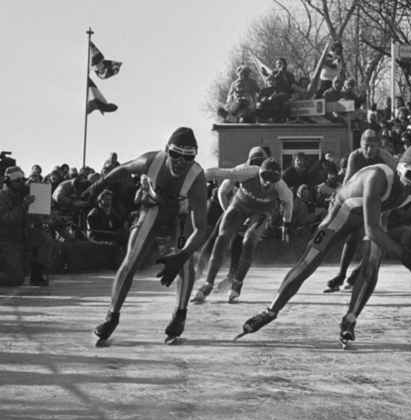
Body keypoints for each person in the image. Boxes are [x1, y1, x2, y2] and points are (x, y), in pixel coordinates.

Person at [234, 145, 411, 344]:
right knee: (309, 262)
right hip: (342, 210)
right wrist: (405, 255)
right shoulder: (378, 178)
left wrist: (383, 248)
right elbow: (372, 229)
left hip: (369, 215)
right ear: (400, 169)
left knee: (372, 264)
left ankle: (350, 320)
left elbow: (382, 213)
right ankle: (270, 311)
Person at [84, 127, 208, 345]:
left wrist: (184, 253)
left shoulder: (196, 179)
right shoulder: (151, 161)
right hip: (154, 206)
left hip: (180, 211)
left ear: (194, 157)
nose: (180, 162)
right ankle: (111, 317)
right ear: (166, 150)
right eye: (175, 154)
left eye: (188, 157)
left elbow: (200, 229)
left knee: (184, 263)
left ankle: (180, 314)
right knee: (132, 258)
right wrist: (99, 184)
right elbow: (123, 169)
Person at [193, 158, 293, 303]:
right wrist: (194, 179)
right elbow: (217, 173)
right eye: (265, 177)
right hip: (240, 205)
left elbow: (288, 204)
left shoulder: (282, 188)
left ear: (279, 178)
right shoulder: (246, 172)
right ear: (258, 172)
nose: (268, 183)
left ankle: (237, 283)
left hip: (262, 211)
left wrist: (286, 225)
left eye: (274, 179)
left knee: (250, 239)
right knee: (222, 237)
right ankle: (208, 283)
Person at [325, 129, 398, 292]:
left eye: (373, 146)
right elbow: (347, 181)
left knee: (376, 241)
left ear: (378, 145)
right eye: (366, 146)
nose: (369, 150)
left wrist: (387, 210)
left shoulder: (385, 156)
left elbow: (398, 181)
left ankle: (356, 274)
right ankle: (341, 275)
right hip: (359, 201)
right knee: (352, 237)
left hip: (381, 202)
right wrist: (337, 198)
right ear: (361, 145)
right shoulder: (355, 156)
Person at [0, 166, 54, 286]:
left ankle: (37, 275)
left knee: (45, 239)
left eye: (22, 179)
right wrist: (24, 205)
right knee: (16, 279)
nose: (21, 183)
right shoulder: (2, 197)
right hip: (6, 241)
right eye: (17, 180)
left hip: (22, 237)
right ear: (8, 181)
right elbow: (7, 220)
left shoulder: (23, 195)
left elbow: (33, 218)